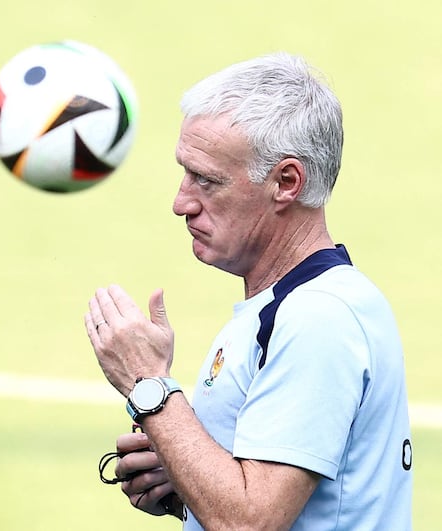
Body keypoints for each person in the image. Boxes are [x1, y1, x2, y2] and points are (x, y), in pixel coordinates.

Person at [84, 52, 412, 530]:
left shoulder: (318, 319)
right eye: (184, 172)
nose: (181, 202)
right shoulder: (288, 306)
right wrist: (185, 482)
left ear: (286, 182)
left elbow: (249, 523)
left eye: (206, 180)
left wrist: (149, 384)